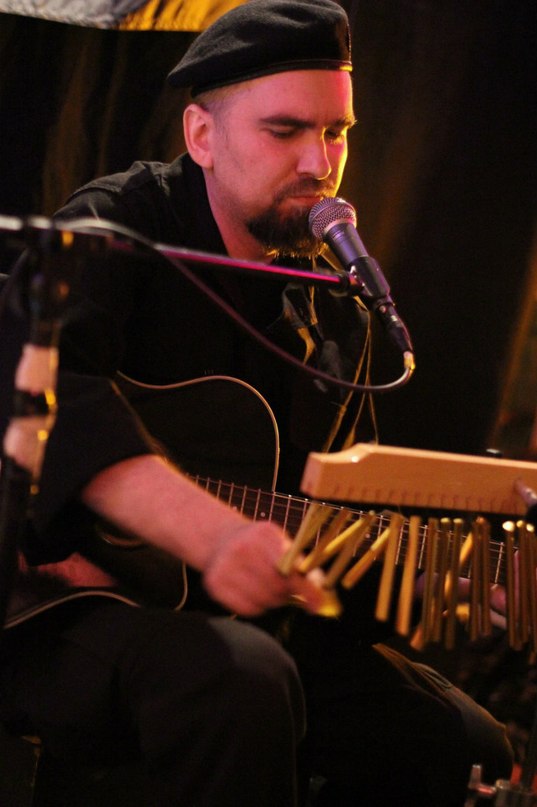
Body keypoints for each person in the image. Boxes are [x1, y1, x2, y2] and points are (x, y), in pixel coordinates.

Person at [0, 1, 514, 805]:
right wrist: (212, 533)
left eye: (337, 133)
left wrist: (432, 586)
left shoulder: (338, 309)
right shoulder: (118, 223)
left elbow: (331, 534)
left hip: (226, 617)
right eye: (285, 131)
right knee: (242, 678)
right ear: (202, 135)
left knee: (458, 739)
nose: (320, 161)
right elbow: (44, 387)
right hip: (55, 603)